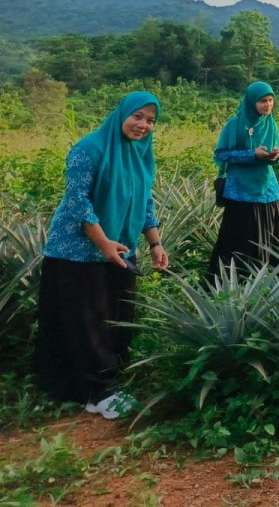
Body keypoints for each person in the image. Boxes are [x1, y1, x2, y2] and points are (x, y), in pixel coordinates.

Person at [36, 91, 169, 419]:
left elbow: (145, 201)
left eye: (151, 121)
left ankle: (110, 383)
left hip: (121, 249)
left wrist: (155, 243)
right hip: (78, 253)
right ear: (122, 113)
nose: (143, 126)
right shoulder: (89, 148)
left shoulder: (140, 153)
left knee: (117, 320)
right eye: (137, 117)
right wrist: (103, 243)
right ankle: (98, 393)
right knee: (89, 322)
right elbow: (76, 201)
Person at [207, 81, 279, 282]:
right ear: (251, 102)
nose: (267, 105)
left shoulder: (270, 124)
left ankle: (268, 282)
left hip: (267, 190)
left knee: (269, 237)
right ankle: (235, 281)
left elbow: (278, 152)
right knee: (241, 238)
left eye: (270, 100)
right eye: (262, 101)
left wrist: (277, 155)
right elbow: (221, 154)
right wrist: (252, 155)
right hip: (241, 192)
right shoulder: (235, 124)